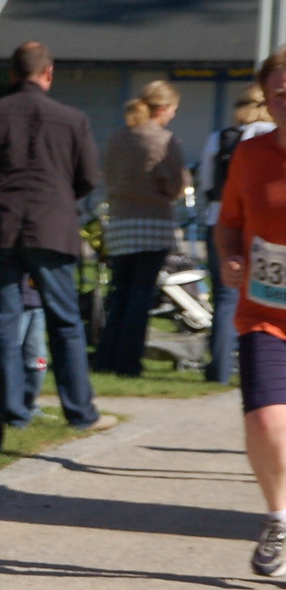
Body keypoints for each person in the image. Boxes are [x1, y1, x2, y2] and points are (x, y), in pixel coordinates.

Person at [0, 40, 106, 430]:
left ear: (11, 74)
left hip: (0, 225)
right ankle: (79, 410)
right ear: (49, 73)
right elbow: (90, 177)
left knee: (3, 321)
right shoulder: (72, 118)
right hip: (52, 227)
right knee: (66, 321)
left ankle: (12, 412)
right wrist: (59, 197)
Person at [214, 47, 286, 576]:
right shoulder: (250, 154)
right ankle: (279, 519)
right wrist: (231, 256)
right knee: (265, 422)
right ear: (266, 95)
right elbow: (229, 221)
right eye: (280, 91)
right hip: (265, 311)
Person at [93, 80, 190, 376]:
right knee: (141, 295)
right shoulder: (162, 140)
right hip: (152, 221)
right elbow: (174, 184)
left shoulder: (117, 137)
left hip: (120, 222)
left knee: (120, 292)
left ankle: (106, 356)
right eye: (173, 109)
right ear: (162, 108)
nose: (173, 114)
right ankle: (128, 360)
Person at [199, 85, 275, 384]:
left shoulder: (218, 138)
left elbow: (206, 183)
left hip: (219, 220)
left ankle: (219, 368)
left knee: (224, 297)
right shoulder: (269, 137)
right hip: (259, 224)